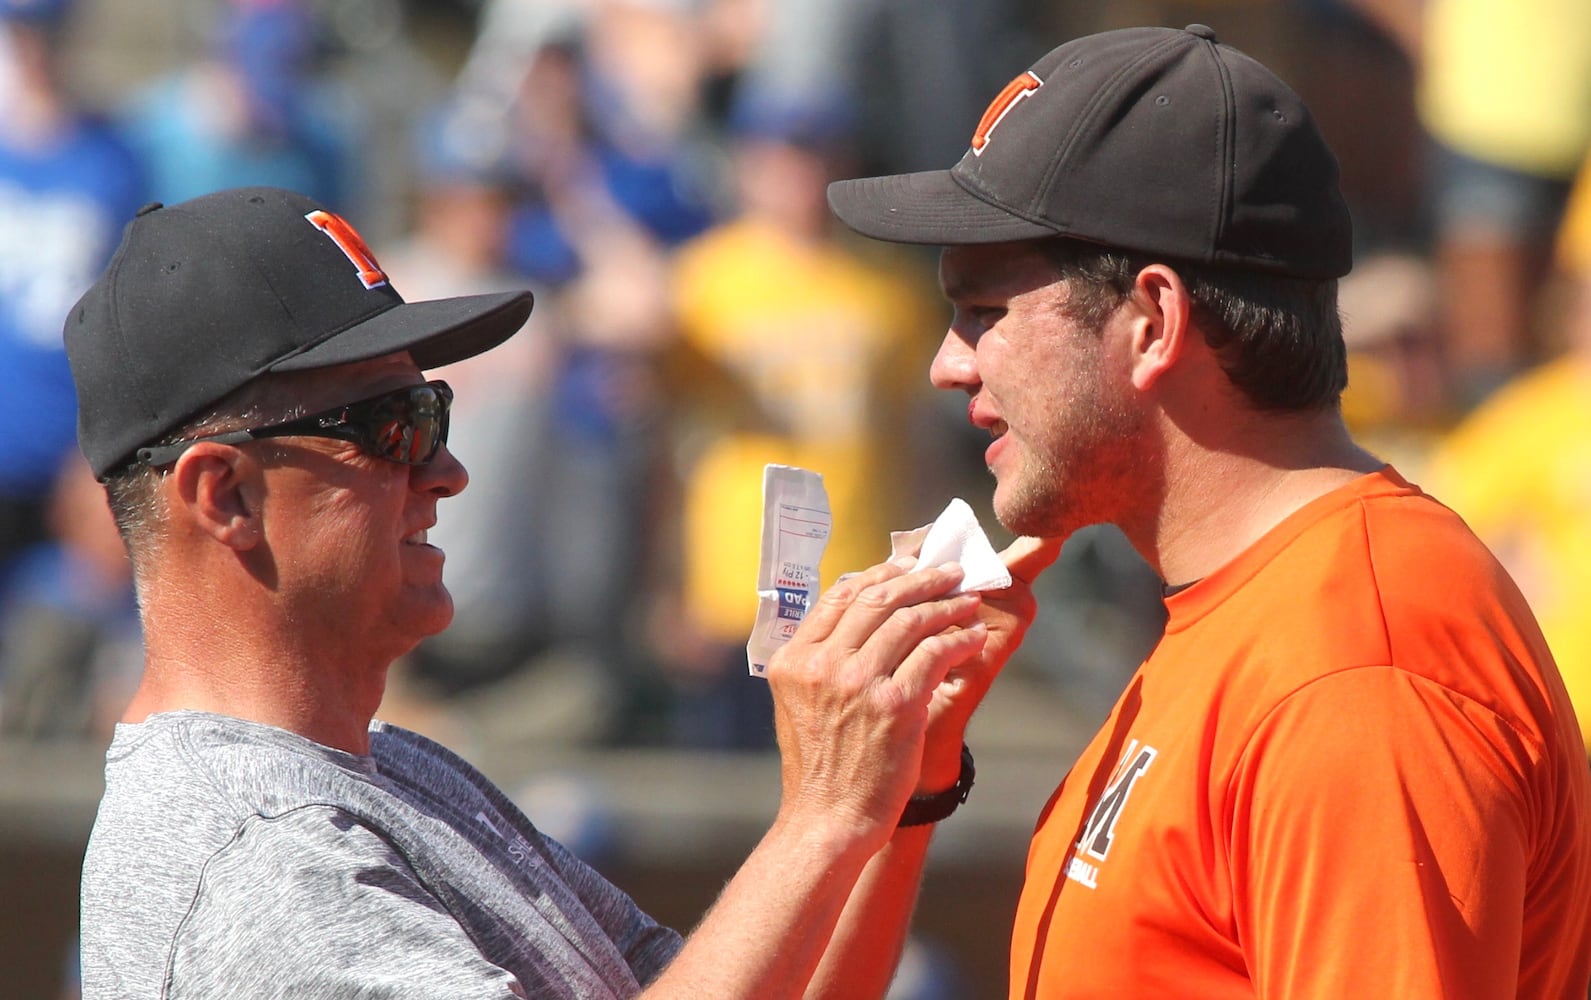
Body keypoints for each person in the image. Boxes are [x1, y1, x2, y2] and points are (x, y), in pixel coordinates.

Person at [66, 185, 1056, 998]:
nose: (444, 470)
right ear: (224, 494)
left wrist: (897, 788)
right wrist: (826, 812)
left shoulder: (392, 771)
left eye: (435, 411)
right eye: (391, 424)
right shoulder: (262, 862)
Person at [826, 23, 1591, 998]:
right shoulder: (1261, 609)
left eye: (984, 312)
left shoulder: (1353, 670)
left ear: (1152, 322)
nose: (948, 363)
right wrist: (902, 781)